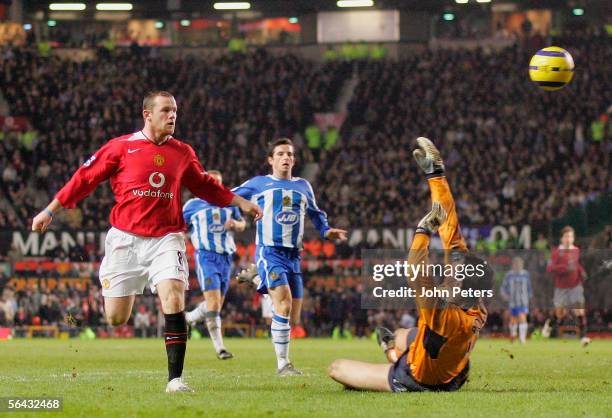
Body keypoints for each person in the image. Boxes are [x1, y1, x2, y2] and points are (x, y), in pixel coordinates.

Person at [31, 91, 262, 392]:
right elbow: (84, 178)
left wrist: (240, 202)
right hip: (125, 240)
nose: (173, 116)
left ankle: (175, 380)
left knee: (174, 298)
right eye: (166, 110)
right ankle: (113, 280)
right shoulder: (121, 147)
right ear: (147, 114)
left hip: (167, 238)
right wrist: (51, 210)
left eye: (175, 110)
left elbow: (205, 185)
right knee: (116, 318)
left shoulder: (182, 152)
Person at [328, 137, 492, 392]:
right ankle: (395, 346)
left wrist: (423, 230)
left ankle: (394, 359)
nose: (453, 268)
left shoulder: (445, 314)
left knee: (337, 368)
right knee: (404, 333)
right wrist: (435, 176)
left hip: (422, 378)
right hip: (455, 370)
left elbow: (416, 272)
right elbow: (452, 231)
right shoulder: (475, 306)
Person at [234, 138, 347, 375]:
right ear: (271, 159)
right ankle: (283, 365)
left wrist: (326, 230)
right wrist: (238, 212)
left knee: (292, 319)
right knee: (283, 306)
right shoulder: (259, 184)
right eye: (281, 154)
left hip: (294, 256)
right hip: (270, 251)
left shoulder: (304, 186)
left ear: (294, 160)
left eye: (290, 154)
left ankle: (256, 279)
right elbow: (229, 196)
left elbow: (316, 213)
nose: (286, 158)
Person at [183, 170, 246, 360]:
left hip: (226, 259)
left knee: (216, 305)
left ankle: (188, 318)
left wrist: (236, 224)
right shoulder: (193, 205)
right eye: (212, 182)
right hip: (206, 256)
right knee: (213, 302)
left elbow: (243, 224)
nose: (216, 185)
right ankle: (220, 349)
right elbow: (177, 226)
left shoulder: (229, 203)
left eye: (219, 182)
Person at [543, 226, 590, 346]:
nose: (569, 239)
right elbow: (550, 268)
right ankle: (549, 324)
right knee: (560, 314)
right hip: (561, 287)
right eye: (566, 236)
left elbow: (576, 264)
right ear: (562, 238)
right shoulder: (556, 252)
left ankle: (583, 337)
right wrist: (564, 268)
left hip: (575, 285)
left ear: (573, 238)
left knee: (579, 309)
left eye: (571, 236)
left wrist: (581, 271)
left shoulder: (576, 250)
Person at [500, 257, 532, 343]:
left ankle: (522, 338)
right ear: (513, 265)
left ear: (522, 265)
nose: (517, 266)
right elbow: (503, 287)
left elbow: (529, 287)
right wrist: (504, 295)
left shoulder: (525, 274)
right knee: (513, 318)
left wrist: (529, 297)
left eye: (519, 264)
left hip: (523, 301)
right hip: (512, 301)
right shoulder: (509, 275)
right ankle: (513, 335)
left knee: (522, 317)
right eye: (516, 264)